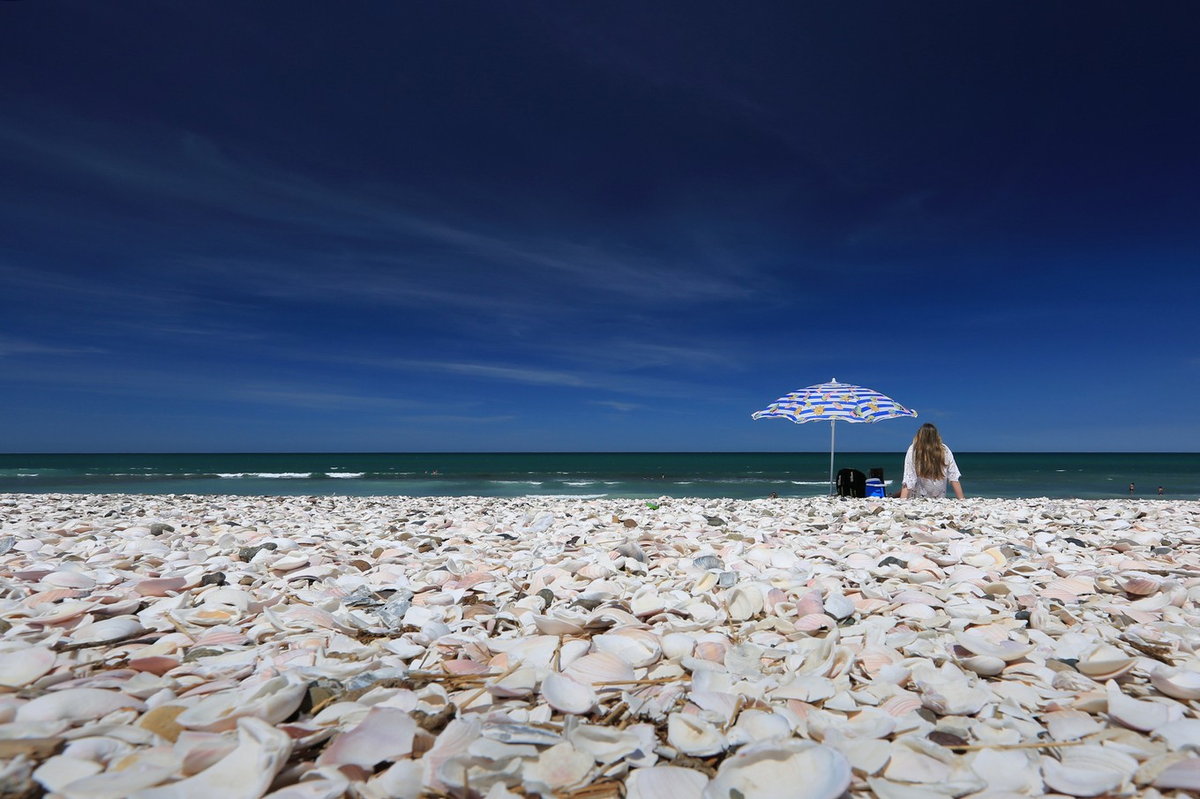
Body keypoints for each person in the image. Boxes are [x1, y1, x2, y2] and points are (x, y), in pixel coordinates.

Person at [899, 423, 964, 499]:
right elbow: (953, 477)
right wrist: (961, 499)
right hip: (939, 499)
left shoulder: (913, 450)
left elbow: (909, 479)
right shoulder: (944, 449)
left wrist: (902, 501)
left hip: (917, 499)